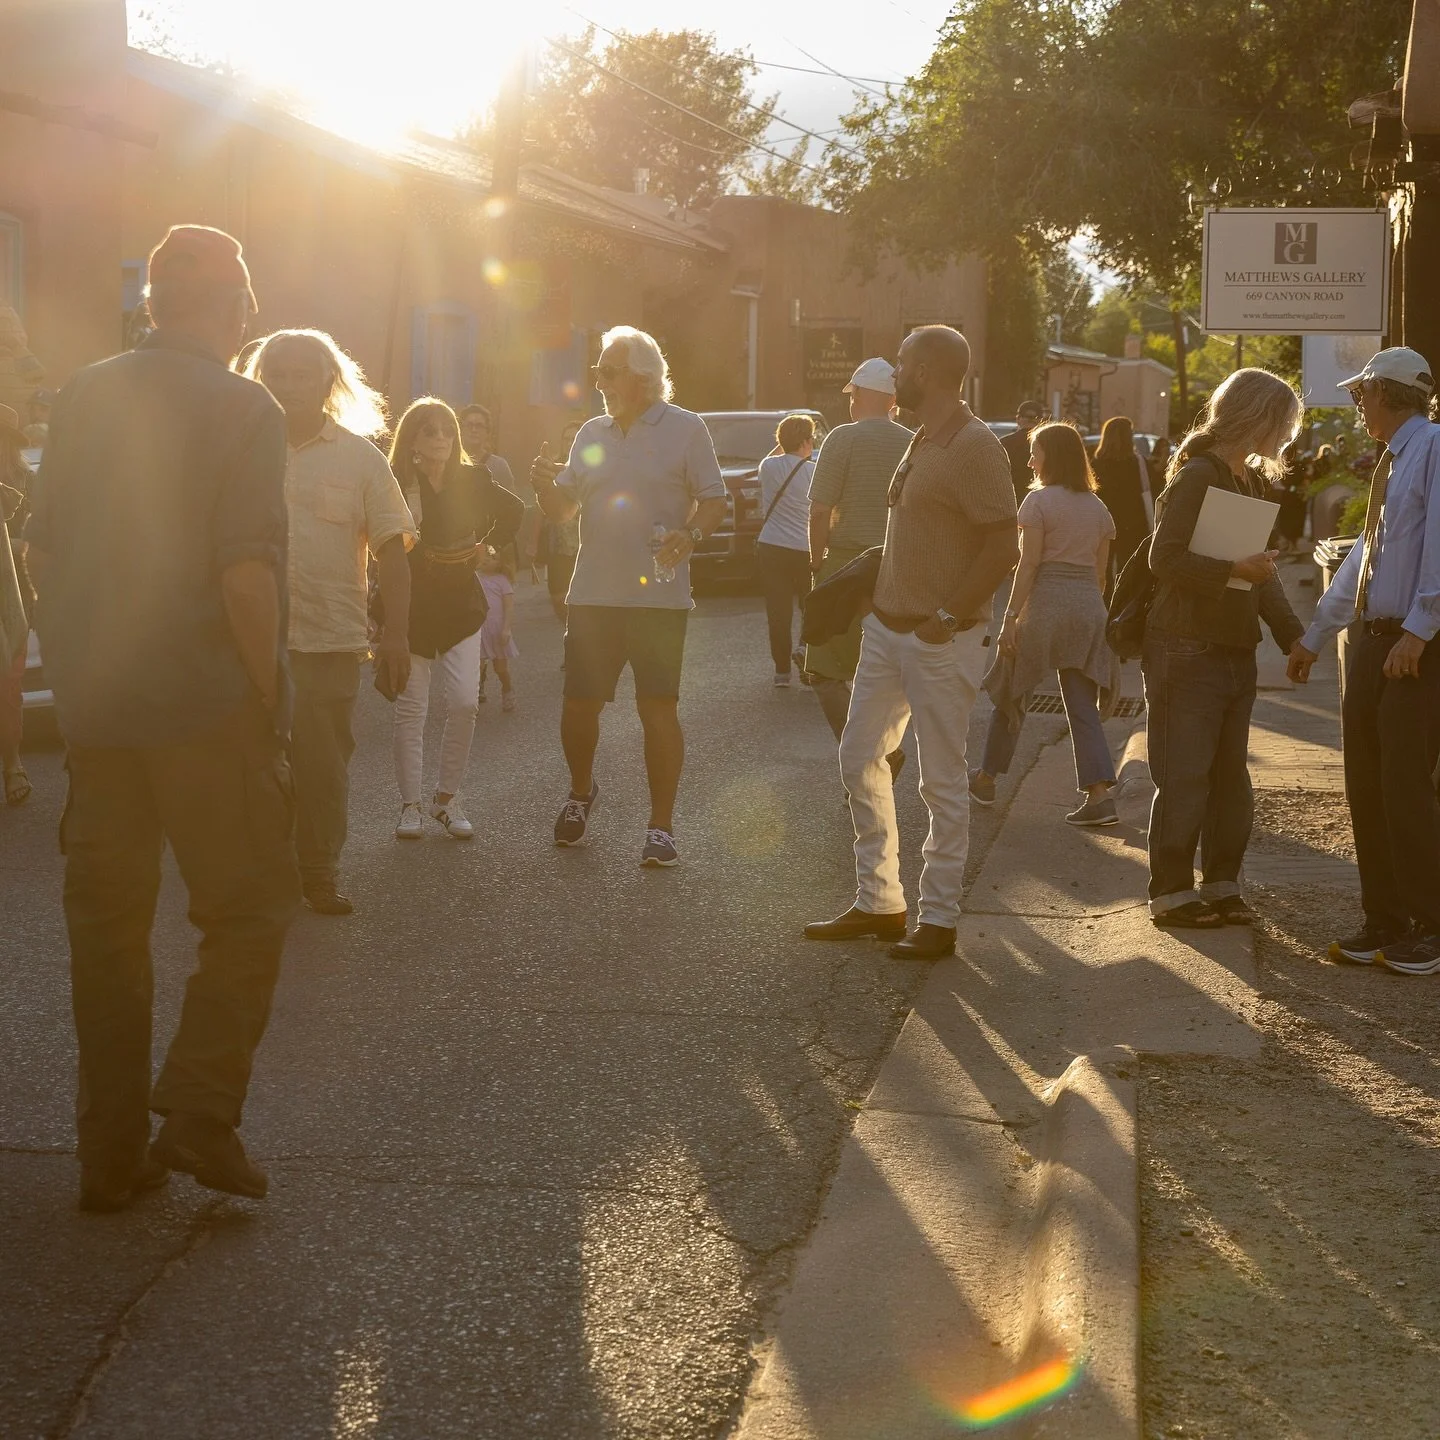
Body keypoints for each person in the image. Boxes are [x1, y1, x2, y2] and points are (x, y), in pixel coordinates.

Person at [24, 224, 299, 1209]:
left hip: (100, 714)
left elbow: (43, 552)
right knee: (252, 904)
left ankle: (108, 1158)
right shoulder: (244, 406)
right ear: (233, 310)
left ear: (152, 308)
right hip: (202, 707)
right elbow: (246, 580)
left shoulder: (89, 392)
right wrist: (275, 709)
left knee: (108, 932)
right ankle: (198, 1112)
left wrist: (79, 658)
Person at [805, 326, 1020, 960]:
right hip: (887, 632)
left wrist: (947, 615)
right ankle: (881, 904)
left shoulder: (975, 446)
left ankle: (940, 918)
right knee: (859, 757)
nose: (893, 371)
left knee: (941, 780)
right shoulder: (922, 436)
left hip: (940, 638)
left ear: (925, 371)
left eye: (901, 362)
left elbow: (1004, 545)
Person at [529, 325, 727, 867]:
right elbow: (562, 509)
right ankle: (580, 791)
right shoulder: (591, 432)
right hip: (593, 594)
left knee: (657, 709)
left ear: (642, 377)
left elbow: (714, 500)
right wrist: (543, 482)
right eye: (597, 371)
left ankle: (660, 827)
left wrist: (693, 535)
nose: (599, 380)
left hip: (659, 598)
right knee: (578, 704)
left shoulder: (686, 429)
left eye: (608, 371)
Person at [244, 329, 415, 916]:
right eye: (278, 374)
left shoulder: (360, 458)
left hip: (330, 640)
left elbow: (393, 548)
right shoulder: (236, 450)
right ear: (261, 380)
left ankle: (318, 871)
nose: (289, 385)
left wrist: (396, 634)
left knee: (321, 766)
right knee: (252, 764)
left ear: (327, 382)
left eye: (301, 374)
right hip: (245, 639)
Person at [1288, 347, 1440, 975]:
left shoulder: (1431, 448)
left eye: (1360, 396)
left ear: (1386, 393)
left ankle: (1430, 927)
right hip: (1378, 640)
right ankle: (1385, 918)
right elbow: (1366, 558)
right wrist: (1317, 633)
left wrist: (1421, 629)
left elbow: (1439, 544)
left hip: (1412, 644)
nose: (1356, 407)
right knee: (1368, 783)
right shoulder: (1393, 460)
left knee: (1404, 785)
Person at [1143, 368, 1308, 929]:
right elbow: (1161, 559)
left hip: (1234, 650)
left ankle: (1221, 885)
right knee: (1186, 776)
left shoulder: (1249, 481)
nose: (1288, 436)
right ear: (1258, 417)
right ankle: (1171, 894)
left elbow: (1262, 575)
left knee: (1228, 780)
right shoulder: (1199, 474)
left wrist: (1294, 638)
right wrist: (1232, 568)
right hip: (1185, 648)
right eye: (1284, 423)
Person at [970, 423, 1119, 825]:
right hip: (1088, 606)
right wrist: (1091, 608)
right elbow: (1102, 576)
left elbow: (1029, 564)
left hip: (1046, 605)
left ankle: (986, 777)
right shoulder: (1098, 509)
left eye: (1035, 451)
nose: (1030, 459)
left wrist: (1011, 617)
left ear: (1051, 456)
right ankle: (1100, 794)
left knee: (1012, 693)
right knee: (1081, 704)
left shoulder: (1037, 504)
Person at [389, 398, 523, 841]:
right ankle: (410, 806)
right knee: (412, 709)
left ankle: (446, 799)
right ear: (413, 439)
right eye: (431, 431)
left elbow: (514, 512)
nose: (442, 438)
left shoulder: (472, 478)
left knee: (465, 701)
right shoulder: (397, 482)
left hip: (461, 605)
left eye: (447, 430)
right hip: (411, 604)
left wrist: (488, 548)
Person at [805, 357, 914, 776]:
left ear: (863, 397)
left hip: (848, 566)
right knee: (879, 668)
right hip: (899, 565)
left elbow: (819, 510)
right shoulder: (911, 440)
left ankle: (870, 756)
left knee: (826, 670)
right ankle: (879, 751)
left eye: (852, 396)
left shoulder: (841, 439)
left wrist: (817, 562)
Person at [756, 413, 816, 686]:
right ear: (806, 441)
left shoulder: (767, 467)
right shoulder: (814, 471)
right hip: (805, 548)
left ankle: (781, 672)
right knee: (811, 606)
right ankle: (807, 653)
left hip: (771, 547)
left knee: (778, 612)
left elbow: (778, 453)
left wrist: (786, 442)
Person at [1, 403, 32, 805]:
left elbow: (40, 536)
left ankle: (12, 762)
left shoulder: (23, 480)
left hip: (10, 590)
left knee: (7, 683)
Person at [1092, 415, 1150, 582]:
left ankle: (1104, 603)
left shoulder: (1096, 464)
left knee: (1103, 569)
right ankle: (1123, 606)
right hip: (1133, 524)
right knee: (1128, 570)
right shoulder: (1137, 463)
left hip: (1102, 523)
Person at [545, 420, 584, 625]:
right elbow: (541, 510)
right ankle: (571, 629)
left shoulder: (593, 465)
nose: (570, 442)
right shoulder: (553, 466)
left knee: (580, 600)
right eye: (566, 438)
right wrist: (533, 543)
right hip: (558, 545)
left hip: (583, 546)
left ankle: (579, 640)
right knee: (557, 597)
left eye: (574, 438)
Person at [477, 543, 519, 711]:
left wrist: (506, 629)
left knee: (500, 668)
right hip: (478, 629)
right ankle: (474, 694)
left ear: (500, 563)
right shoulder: (475, 577)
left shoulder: (502, 581)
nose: (488, 559)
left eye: (493, 557)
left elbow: (509, 607)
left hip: (497, 630)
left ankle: (507, 689)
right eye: (486, 555)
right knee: (477, 666)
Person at [1001, 401, 1044, 504]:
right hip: (1040, 497)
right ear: (1041, 421)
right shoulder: (1049, 443)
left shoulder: (1004, 442)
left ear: (1018, 419)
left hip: (1011, 497)